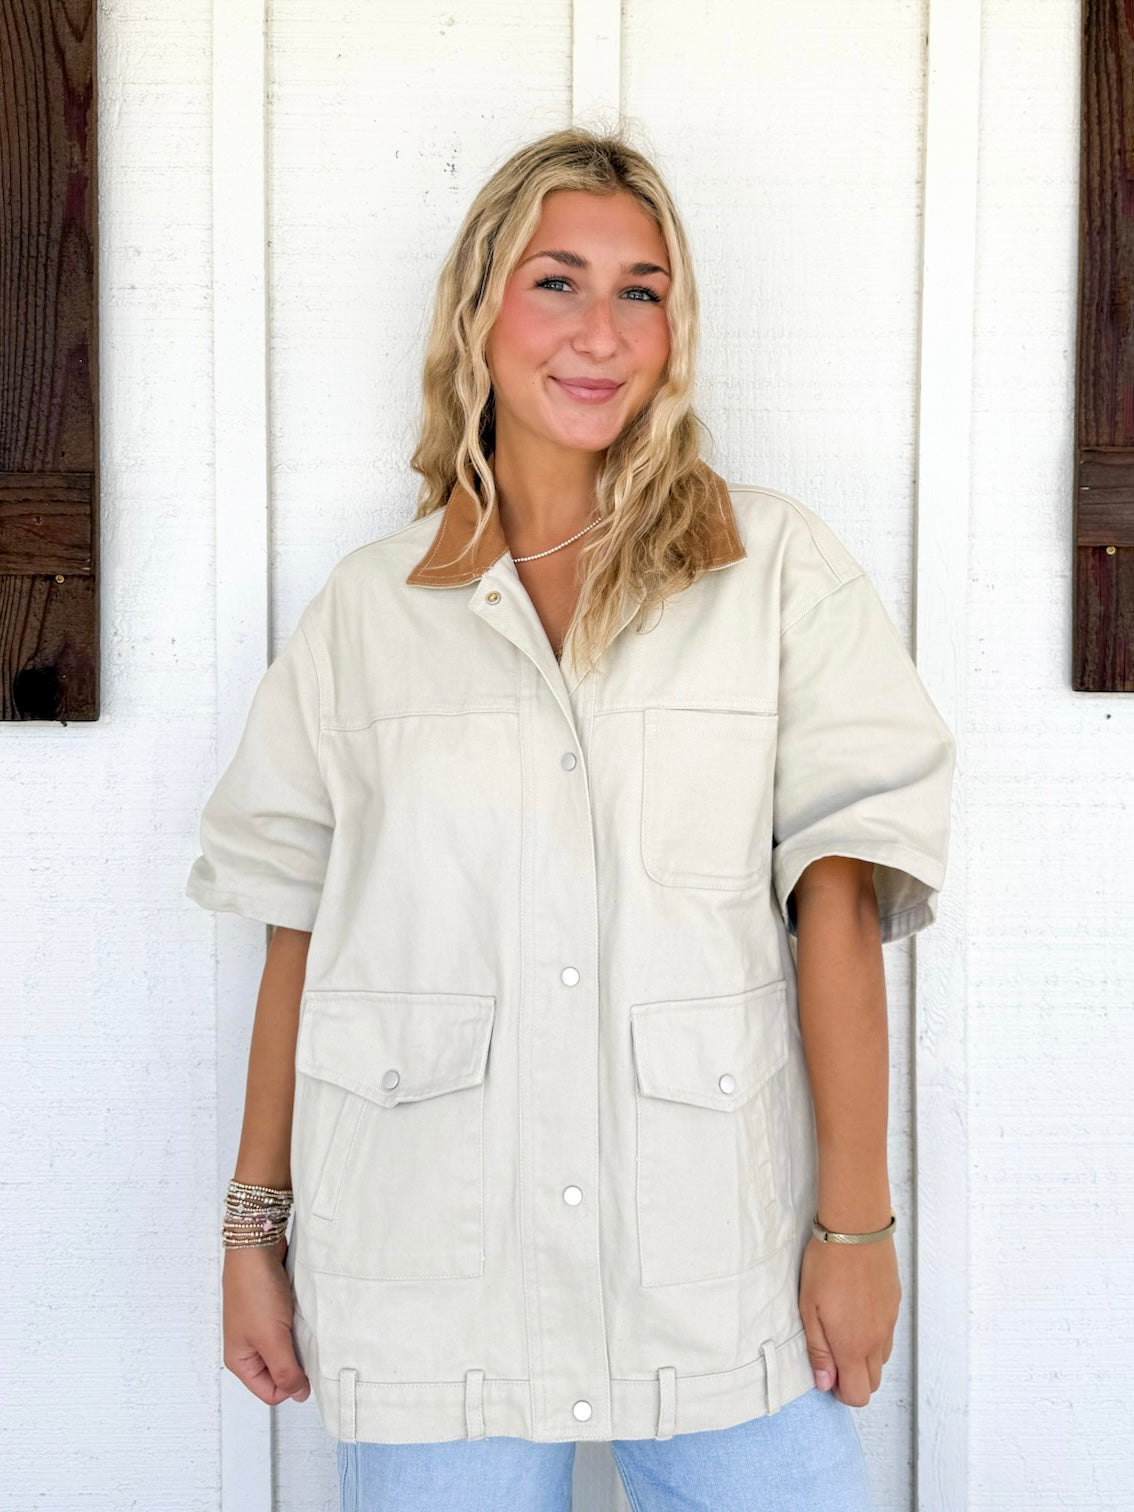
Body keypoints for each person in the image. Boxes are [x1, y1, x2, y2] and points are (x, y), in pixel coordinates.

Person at [187, 127, 955, 1512]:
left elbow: (837, 906)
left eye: (640, 291)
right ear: (477, 311)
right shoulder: (367, 615)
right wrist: (254, 1226)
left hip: (713, 1264)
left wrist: (857, 1229)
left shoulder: (771, 574)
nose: (601, 333)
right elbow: (298, 930)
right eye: (558, 281)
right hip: (431, 1274)